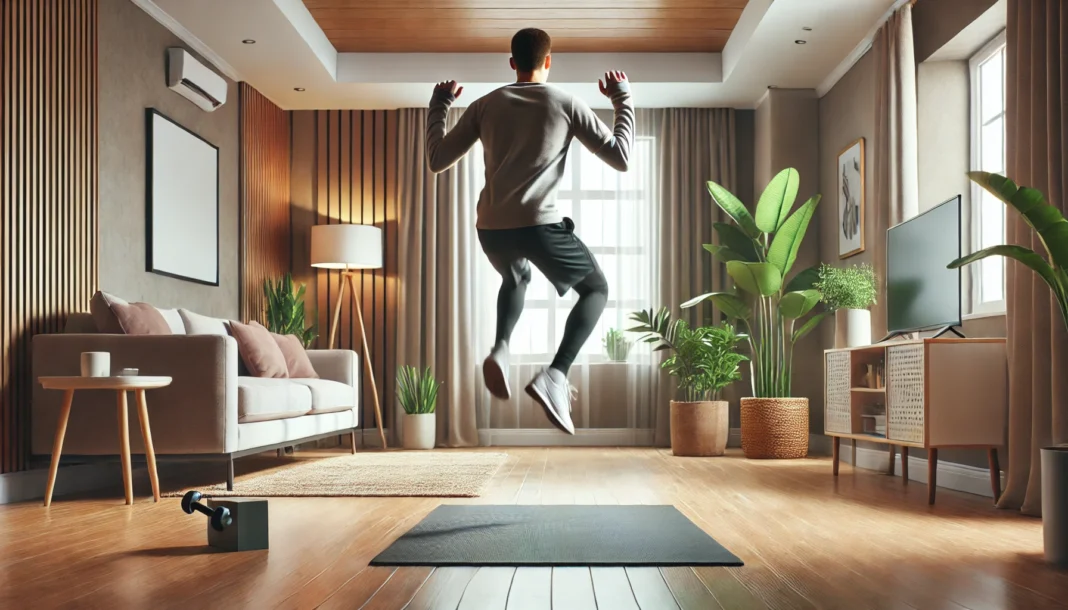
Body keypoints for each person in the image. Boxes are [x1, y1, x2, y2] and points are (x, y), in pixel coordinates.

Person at [425, 27, 635, 435]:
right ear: (549, 61)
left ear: (512, 63)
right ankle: (556, 375)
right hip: (538, 225)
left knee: (516, 276)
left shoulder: (485, 106)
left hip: (491, 229)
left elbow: (436, 160)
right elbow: (622, 158)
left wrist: (439, 105)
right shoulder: (565, 102)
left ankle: (501, 349)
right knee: (596, 290)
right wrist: (621, 100)